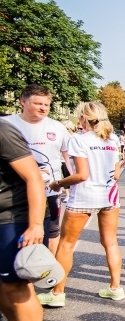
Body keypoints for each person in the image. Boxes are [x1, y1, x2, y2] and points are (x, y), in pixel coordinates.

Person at [39, 102, 123, 306]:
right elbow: (117, 169)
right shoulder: (112, 139)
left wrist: (58, 183)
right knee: (110, 242)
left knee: (66, 244)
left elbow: (82, 175)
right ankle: (115, 288)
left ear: (84, 118)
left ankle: (57, 293)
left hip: (85, 196)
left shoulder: (79, 139)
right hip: (109, 195)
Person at [0, 118, 50, 321]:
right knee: (3, 286)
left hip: (12, 217)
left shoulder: (2, 130)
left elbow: (33, 177)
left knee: (16, 286)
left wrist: (34, 224)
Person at [4, 85, 70, 254]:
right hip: (13, 193)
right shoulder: (7, 124)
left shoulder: (57, 127)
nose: (43, 108)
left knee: (51, 233)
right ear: (23, 102)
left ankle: (46, 269)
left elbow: (67, 156)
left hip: (49, 191)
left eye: (46, 105)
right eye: (38, 103)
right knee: (12, 234)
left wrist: (71, 180)